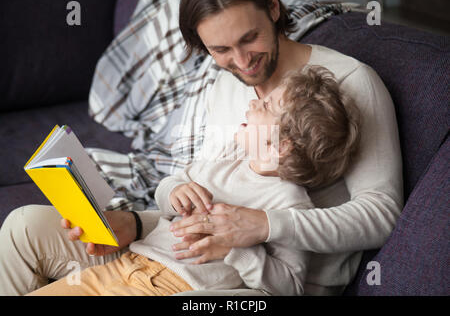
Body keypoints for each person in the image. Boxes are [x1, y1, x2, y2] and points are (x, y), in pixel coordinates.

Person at [0, 0, 402, 295]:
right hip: (176, 253)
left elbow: (382, 215)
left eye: (251, 38)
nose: (243, 62)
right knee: (23, 227)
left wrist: (260, 226)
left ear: (274, 8)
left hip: (246, 289)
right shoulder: (227, 84)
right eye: (221, 50)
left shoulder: (350, 82)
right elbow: (203, 199)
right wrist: (138, 222)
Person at [27, 65, 361, 295]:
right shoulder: (228, 155)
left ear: (281, 146)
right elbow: (166, 191)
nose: (255, 101)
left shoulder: (288, 205)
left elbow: (288, 286)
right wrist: (175, 191)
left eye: (269, 104)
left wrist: (235, 251)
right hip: (126, 264)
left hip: (177, 287)